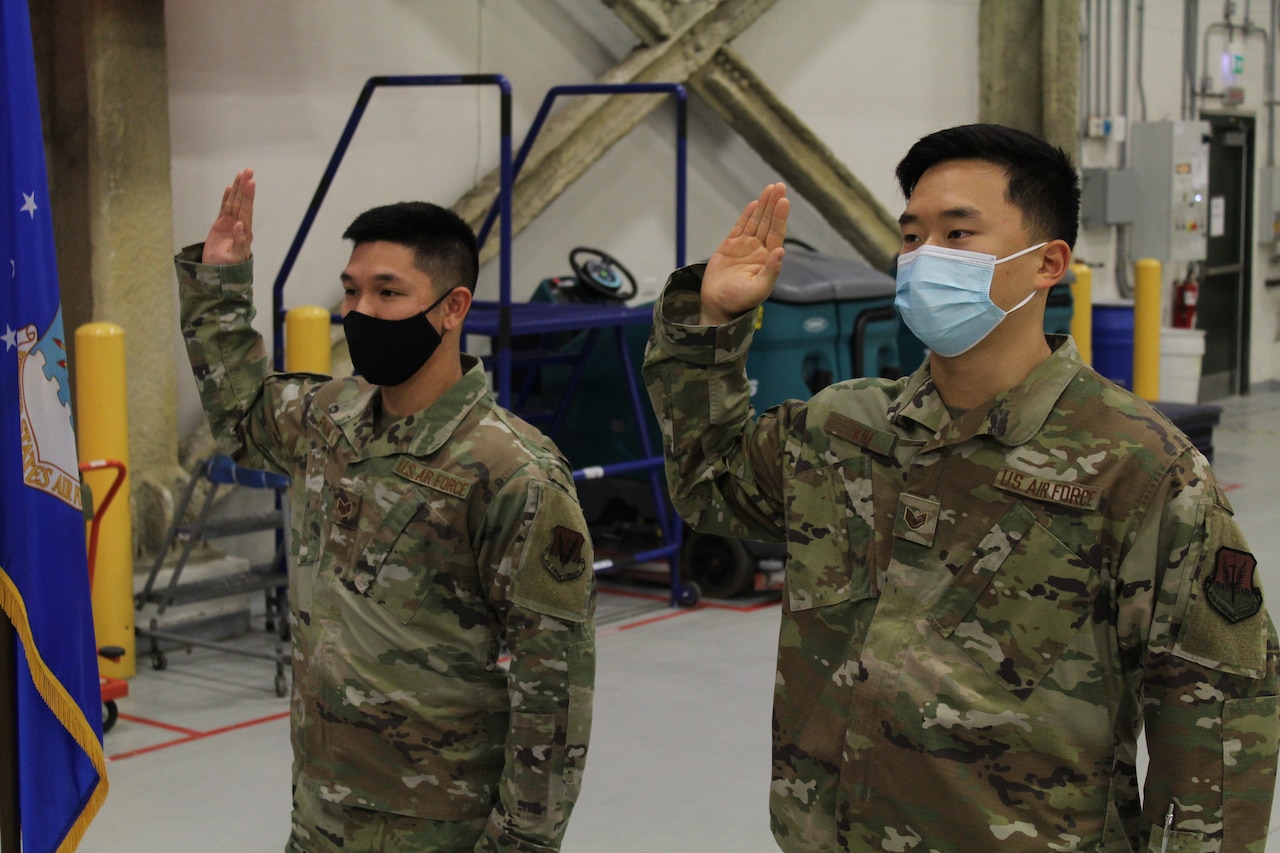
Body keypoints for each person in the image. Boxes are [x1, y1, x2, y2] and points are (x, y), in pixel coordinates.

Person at [643, 125, 1280, 851]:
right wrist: (714, 321)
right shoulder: (843, 428)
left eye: (957, 233)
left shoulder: (1139, 469)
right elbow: (708, 483)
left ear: (1047, 263)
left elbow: (1218, 731)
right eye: (912, 236)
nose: (923, 258)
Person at [175, 169, 596, 853]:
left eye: (387, 292)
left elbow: (555, 681)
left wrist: (522, 841)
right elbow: (242, 414)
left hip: (438, 826)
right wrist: (219, 285)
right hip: (320, 811)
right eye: (351, 289)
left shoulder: (511, 469)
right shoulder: (329, 418)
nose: (359, 310)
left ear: (453, 307)